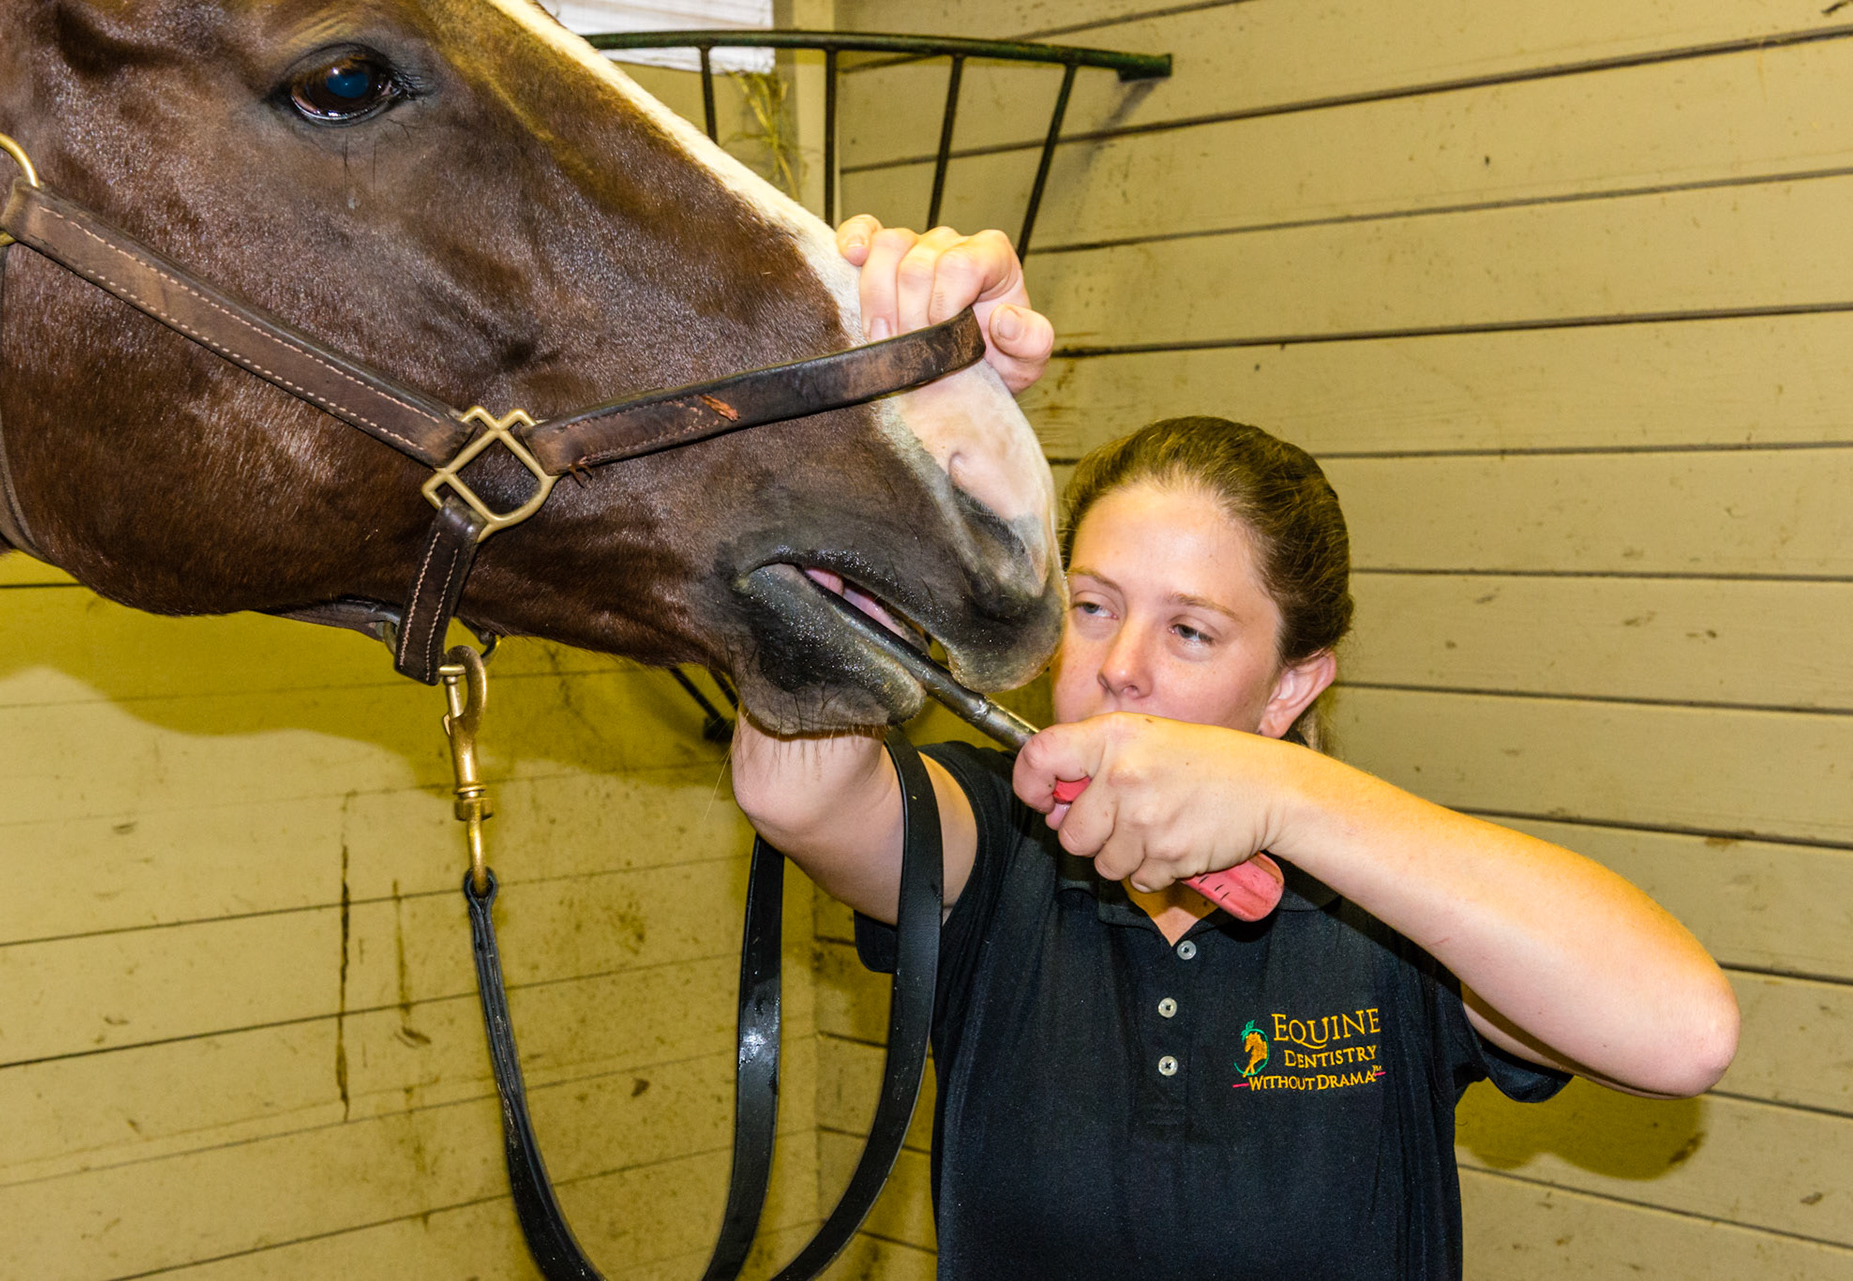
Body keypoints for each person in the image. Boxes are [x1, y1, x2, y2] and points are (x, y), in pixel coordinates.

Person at [733, 216, 1740, 1278]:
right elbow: (792, 790)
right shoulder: (999, 843)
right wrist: (892, 414)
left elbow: (1683, 1035)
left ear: (1292, 686)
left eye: (1191, 631)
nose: (1122, 664)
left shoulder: (1383, 899)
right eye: (1092, 606)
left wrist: (1288, 799)